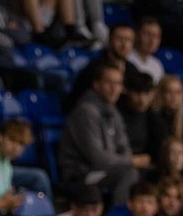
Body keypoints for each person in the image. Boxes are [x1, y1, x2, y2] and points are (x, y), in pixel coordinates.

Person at [60, 64, 149, 207]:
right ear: (96, 85)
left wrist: (129, 160)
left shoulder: (113, 111)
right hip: (82, 174)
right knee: (130, 173)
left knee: (148, 173)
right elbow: (98, 158)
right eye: (109, 83)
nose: (114, 89)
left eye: (118, 84)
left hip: (106, 170)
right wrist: (131, 161)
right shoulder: (86, 112)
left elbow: (124, 147)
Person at [127, 17, 165, 84]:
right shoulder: (126, 58)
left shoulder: (157, 64)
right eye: (147, 34)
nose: (152, 41)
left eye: (156, 36)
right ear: (136, 35)